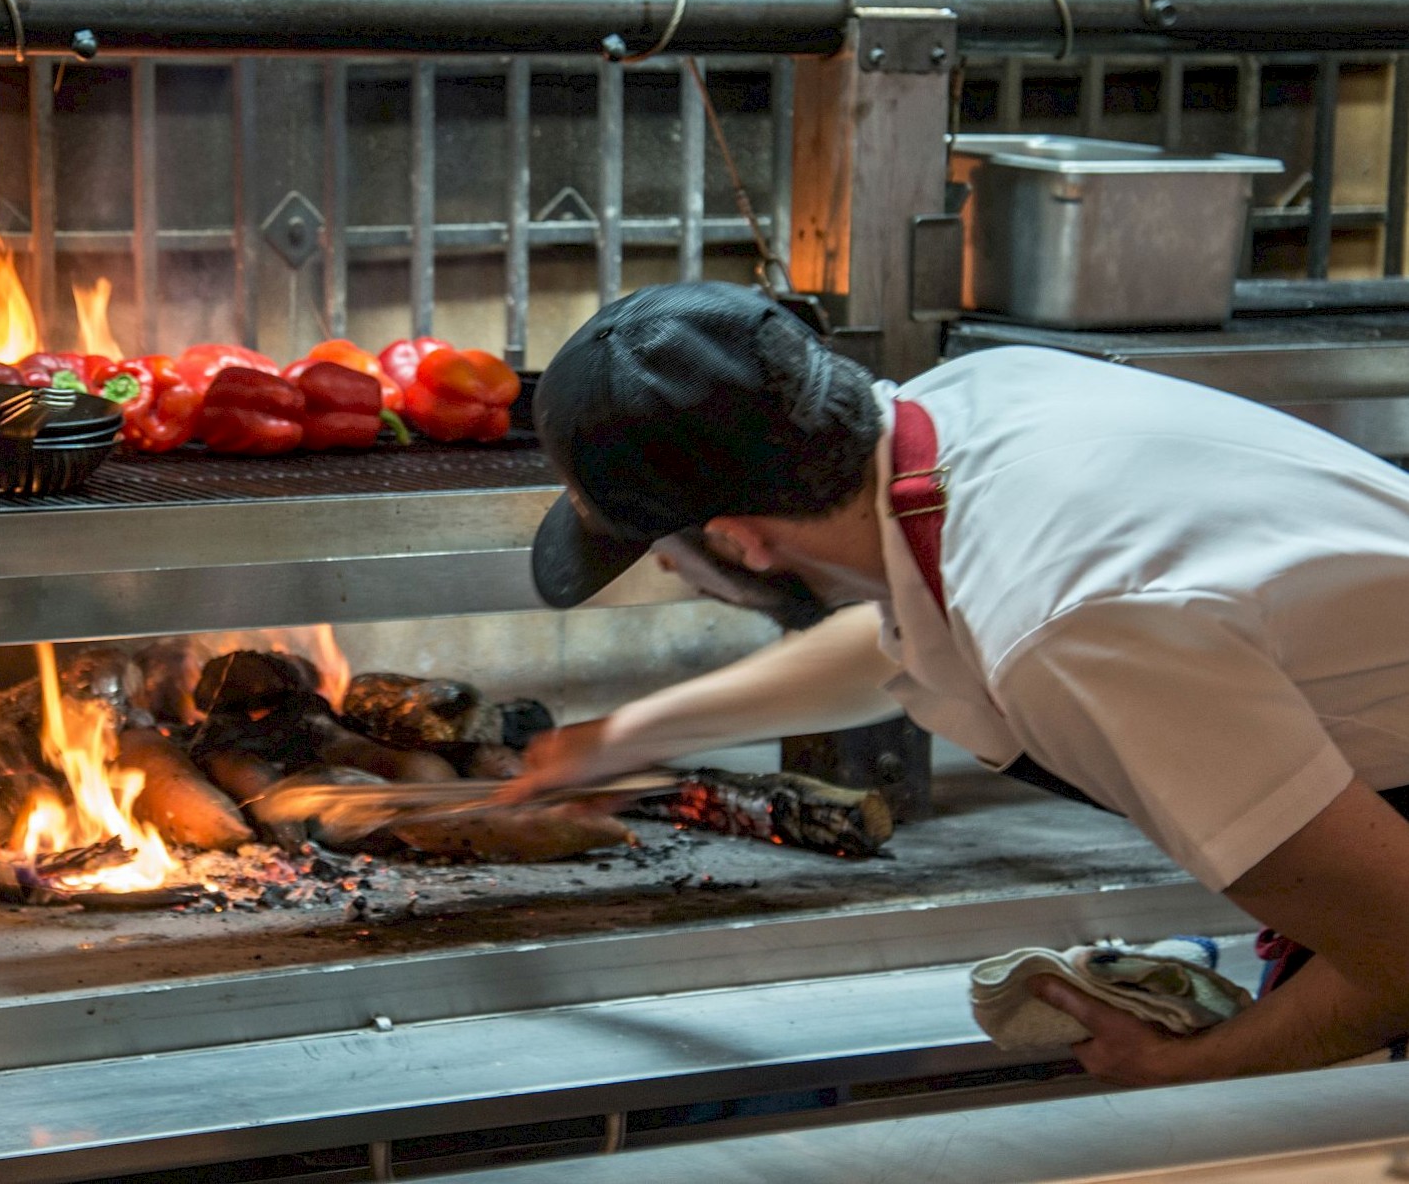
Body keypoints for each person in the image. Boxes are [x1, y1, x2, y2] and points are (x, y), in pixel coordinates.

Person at [508, 279, 1409, 1086]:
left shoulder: (1066, 626)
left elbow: (1402, 949)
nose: (666, 574)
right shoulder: (969, 407)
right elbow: (911, 632)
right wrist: (626, 737)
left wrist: (1187, 1065)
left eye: (659, 551)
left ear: (738, 537)